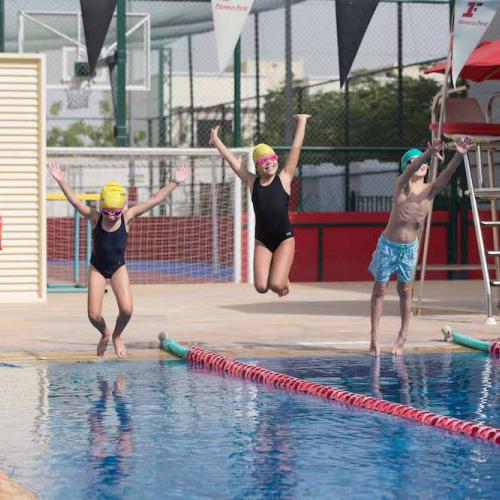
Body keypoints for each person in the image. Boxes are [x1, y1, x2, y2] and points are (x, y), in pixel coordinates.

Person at [47, 161, 189, 358]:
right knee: (93, 316)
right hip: (97, 267)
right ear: (101, 208)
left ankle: (117, 335)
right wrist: (61, 181)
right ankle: (105, 332)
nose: (112, 217)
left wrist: (175, 181)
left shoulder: (127, 217)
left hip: (118, 267)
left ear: (123, 208)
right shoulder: (95, 218)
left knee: (127, 310)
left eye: (116, 213)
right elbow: (75, 201)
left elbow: (155, 200)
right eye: (108, 213)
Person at [369, 137, 474, 356]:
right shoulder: (402, 187)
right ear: (406, 166)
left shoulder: (430, 190)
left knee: (405, 291)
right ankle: (375, 337)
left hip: (409, 249)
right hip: (388, 246)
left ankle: (402, 335)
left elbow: (446, 176)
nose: (421, 164)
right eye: (414, 161)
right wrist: (427, 153)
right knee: (380, 289)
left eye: (424, 162)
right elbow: (411, 170)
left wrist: (459, 155)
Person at [210, 114, 311, 296]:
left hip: (284, 239)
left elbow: (296, 149)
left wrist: (302, 122)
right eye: (263, 161)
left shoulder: (285, 178)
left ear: (276, 160)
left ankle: (282, 277)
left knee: (277, 285)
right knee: (261, 287)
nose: (269, 163)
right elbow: (233, 162)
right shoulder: (252, 182)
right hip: (262, 241)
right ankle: (277, 272)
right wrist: (216, 141)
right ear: (257, 166)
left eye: (272, 158)